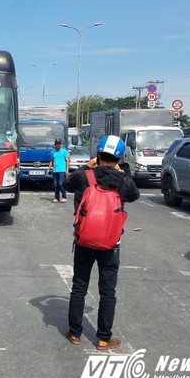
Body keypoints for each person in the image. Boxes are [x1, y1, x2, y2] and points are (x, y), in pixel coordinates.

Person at [63, 135, 140, 351]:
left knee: (79, 286)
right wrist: (121, 173)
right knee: (107, 291)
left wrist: (86, 166)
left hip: (84, 239)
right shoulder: (124, 181)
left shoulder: (84, 176)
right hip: (110, 243)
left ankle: (75, 334)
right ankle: (104, 338)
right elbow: (134, 196)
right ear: (120, 157)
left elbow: (66, 183)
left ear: (97, 154)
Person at [47, 138, 70, 203]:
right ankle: (56, 197)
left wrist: (67, 170)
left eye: (59, 144)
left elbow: (67, 160)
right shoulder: (53, 152)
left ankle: (64, 197)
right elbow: (51, 161)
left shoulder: (64, 151)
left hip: (62, 170)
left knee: (61, 183)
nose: (58, 145)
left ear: (61, 144)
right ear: (55, 144)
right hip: (55, 170)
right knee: (55, 184)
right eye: (56, 144)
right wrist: (48, 169)